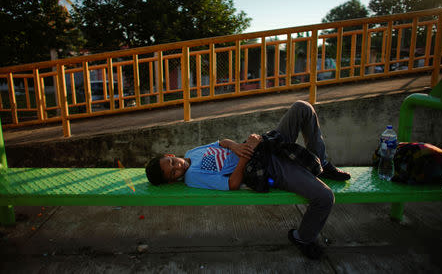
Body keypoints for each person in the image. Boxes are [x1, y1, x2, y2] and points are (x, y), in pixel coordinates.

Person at [145, 100, 350, 259]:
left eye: (172, 163)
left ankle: (322, 164)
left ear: (171, 155)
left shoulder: (191, 152)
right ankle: (303, 238)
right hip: (265, 167)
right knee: (324, 197)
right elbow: (232, 184)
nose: (178, 168)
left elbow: (220, 142)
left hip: (261, 147)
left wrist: (237, 146)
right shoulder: (193, 177)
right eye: (173, 173)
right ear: (173, 180)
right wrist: (245, 154)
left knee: (302, 108)